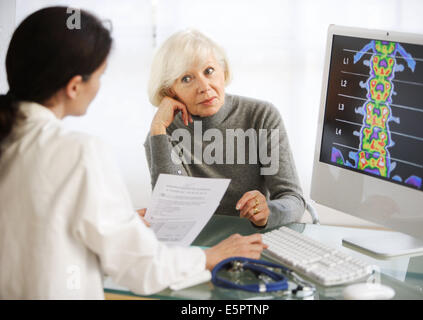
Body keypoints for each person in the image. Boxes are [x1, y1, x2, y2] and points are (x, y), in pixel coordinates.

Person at [0, 7, 266, 299]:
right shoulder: (79, 151)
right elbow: (142, 267)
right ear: (75, 86)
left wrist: (114, 218)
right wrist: (211, 256)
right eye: (100, 75)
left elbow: (35, 222)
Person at [144, 29, 306, 229]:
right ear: (170, 91)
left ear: (224, 71)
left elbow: (294, 201)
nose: (204, 86)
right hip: (196, 251)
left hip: (250, 244)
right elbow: (173, 215)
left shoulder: (261, 116)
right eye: (187, 78)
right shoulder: (161, 134)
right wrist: (158, 129)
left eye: (209, 71)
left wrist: (268, 212)